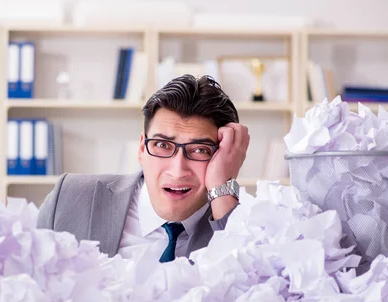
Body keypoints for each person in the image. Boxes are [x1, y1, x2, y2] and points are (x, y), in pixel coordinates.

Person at [37, 74, 250, 261]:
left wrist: (223, 186)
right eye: (162, 145)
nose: (177, 171)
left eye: (200, 150)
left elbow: (248, 296)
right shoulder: (69, 198)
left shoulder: (245, 226)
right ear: (141, 148)